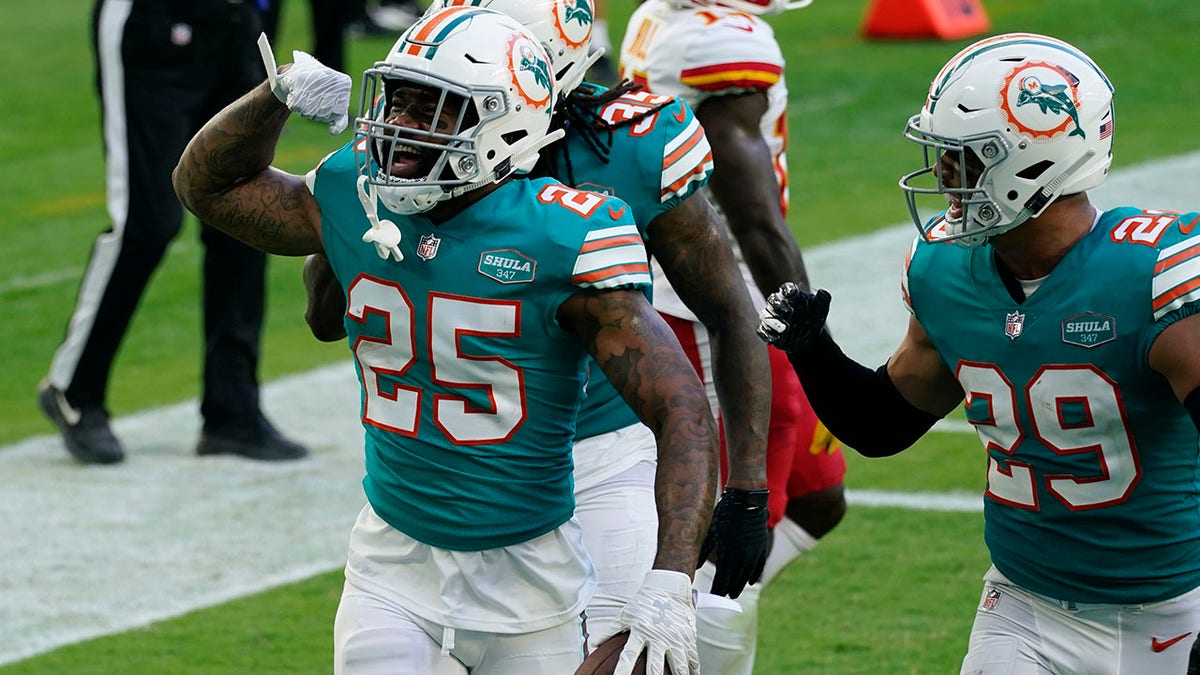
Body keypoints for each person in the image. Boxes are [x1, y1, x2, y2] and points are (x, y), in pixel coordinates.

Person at [173, 8, 718, 674]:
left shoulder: (562, 235)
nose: (398, 124)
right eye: (398, 98)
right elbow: (204, 184)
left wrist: (670, 579)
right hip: (392, 570)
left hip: (532, 587)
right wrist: (275, 96)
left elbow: (682, 406)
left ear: (505, 122)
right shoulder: (354, 190)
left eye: (433, 108)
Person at [302, 4, 774, 671]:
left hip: (606, 454)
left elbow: (729, 309)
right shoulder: (402, 158)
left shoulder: (627, 144)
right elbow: (324, 316)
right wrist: (365, 220)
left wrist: (748, 485)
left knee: (649, 646)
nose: (428, 106)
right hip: (466, 468)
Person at [759, 32, 1200, 675]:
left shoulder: (1157, 277)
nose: (942, 176)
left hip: (1175, 611)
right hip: (1025, 609)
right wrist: (811, 349)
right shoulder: (944, 268)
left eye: (964, 158)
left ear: (1035, 162)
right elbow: (885, 422)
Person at [619, 1, 847, 671]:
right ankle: (670, 631)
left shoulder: (667, 15)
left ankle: (680, 614)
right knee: (734, 547)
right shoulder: (719, 38)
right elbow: (752, 214)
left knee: (816, 493)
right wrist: (809, 334)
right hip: (722, 302)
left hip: (700, 279)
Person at [38, 0, 307, 465]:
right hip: (152, 23)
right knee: (146, 222)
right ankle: (75, 389)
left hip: (238, 23)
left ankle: (232, 411)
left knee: (244, 213)